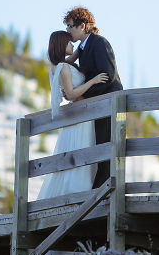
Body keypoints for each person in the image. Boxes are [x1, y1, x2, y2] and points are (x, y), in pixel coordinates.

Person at [36, 31, 109, 200]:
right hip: (80, 114)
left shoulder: (58, 66)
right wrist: (93, 80)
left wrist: (84, 44)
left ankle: (76, 192)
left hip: (78, 115)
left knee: (75, 153)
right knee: (80, 151)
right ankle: (76, 193)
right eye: (69, 43)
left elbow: (69, 61)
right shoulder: (64, 67)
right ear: (62, 44)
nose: (72, 45)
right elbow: (71, 93)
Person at [63, 6, 124, 188]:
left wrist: (83, 95)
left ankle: (103, 192)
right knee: (99, 147)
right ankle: (98, 191)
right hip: (97, 105)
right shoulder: (83, 48)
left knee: (107, 148)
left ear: (82, 26)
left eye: (70, 26)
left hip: (108, 104)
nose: (68, 31)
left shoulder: (98, 42)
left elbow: (108, 76)